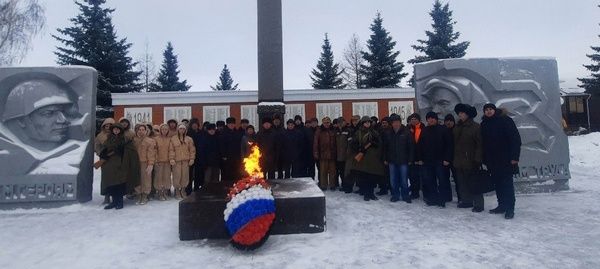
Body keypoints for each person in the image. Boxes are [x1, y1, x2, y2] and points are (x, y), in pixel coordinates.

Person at [0, 78, 88, 176]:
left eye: (63, 112)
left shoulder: (76, 153)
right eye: (49, 113)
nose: (63, 120)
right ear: (21, 120)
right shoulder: (6, 157)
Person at [481, 103, 522, 219]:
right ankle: (502, 205)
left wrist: (514, 157)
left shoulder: (505, 120)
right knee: (498, 184)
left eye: (490, 109)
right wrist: (484, 159)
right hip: (492, 161)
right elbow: (483, 143)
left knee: (507, 185)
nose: (488, 111)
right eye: (486, 110)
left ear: (495, 110)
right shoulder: (484, 124)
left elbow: (515, 139)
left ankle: (510, 208)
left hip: (506, 160)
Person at [416, 112, 453, 207]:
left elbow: (449, 145)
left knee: (442, 180)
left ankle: (442, 200)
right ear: (427, 120)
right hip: (428, 161)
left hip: (440, 160)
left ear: (436, 119)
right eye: (429, 118)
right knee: (430, 180)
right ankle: (433, 199)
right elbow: (420, 145)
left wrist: (447, 158)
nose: (431, 120)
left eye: (433, 118)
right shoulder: (424, 130)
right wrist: (420, 158)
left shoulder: (443, 129)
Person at [100, 123, 140, 210]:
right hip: (110, 165)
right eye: (114, 129)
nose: (116, 130)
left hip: (121, 165)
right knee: (112, 184)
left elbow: (131, 152)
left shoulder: (125, 140)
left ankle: (120, 202)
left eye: (118, 129)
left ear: (121, 130)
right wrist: (104, 154)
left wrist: (122, 152)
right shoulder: (108, 139)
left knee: (120, 184)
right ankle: (114, 202)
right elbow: (103, 150)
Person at [452, 104, 484, 212]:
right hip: (458, 160)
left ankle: (479, 204)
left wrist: (478, 159)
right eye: (459, 113)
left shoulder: (476, 127)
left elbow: (480, 145)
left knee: (474, 183)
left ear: (468, 114)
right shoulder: (457, 127)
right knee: (462, 183)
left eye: (462, 113)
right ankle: (467, 201)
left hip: (471, 160)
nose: (460, 115)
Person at [351, 116, 385, 201]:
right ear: (362, 123)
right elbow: (353, 144)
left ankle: (371, 193)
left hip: (373, 158)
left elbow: (380, 144)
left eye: (369, 122)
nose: (367, 124)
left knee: (372, 177)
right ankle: (366, 193)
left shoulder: (374, 132)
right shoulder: (358, 133)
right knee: (364, 177)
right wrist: (360, 149)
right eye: (366, 122)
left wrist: (374, 144)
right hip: (363, 158)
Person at [383, 114, 414, 203]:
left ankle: (405, 195)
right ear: (391, 123)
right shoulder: (388, 133)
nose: (396, 124)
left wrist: (410, 159)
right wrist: (385, 158)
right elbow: (385, 147)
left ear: (400, 122)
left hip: (404, 160)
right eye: (394, 122)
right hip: (392, 160)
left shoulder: (406, 132)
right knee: (393, 180)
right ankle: (395, 195)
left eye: (397, 122)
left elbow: (411, 147)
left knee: (404, 179)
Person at [169, 124, 196, 199]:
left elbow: (192, 150)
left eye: (183, 129)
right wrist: (171, 159)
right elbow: (171, 150)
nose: (182, 130)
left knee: (185, 176)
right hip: (176, 161)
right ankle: (177, 191)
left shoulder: (189, 139)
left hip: (185, 161)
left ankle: (183, 190)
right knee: (177, 176)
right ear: (178, 129)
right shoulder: (173, 139)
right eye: (180, 129)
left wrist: (192, 159)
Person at [133, 124, 157, 205]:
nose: (141, 131)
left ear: (146, 131)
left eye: (143, 130)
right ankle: (138, 194)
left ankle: (145, 195)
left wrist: (151, 164)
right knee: (137, 179)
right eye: (139, 130)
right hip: (136, 163)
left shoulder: (150, 141)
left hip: (145, 163)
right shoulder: (134, 140)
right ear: (137, 131)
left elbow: (151, 153)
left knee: (146, 179)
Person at [95, 118, 115, 204]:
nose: (108, 127)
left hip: (115, 159)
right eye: (106, 126)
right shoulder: (100, 135)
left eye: (110, 125)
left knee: (115, 178)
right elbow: (96, 146)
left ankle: (115, 195)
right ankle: (106, 196)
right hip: (104, 160)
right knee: (105, 178)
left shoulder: (116, 134)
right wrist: (101, 154)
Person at [314, 117, 337, 190]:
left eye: (328, 122)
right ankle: (323, 185)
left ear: (330, 123)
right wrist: (316, 152)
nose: (326, 124)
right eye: (325, 123)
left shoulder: (333, 130)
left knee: (332, 171)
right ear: (322, 123)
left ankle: (332, 185)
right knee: (323, 171)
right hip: (323, 154)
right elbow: (315, 143)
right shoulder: (319, 131)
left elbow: (336, 142)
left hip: (332, 154)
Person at [219, 117, 243, 181]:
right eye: (230, 124)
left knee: (236, 173)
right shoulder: (223, 133)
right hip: (227, 157)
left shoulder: (237, 132)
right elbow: (221, 145)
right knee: (227, 174)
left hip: (236, 157)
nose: (231, 125)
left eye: (233, 123)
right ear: (227, 124)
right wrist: (224, 155)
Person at [407, 113, 424, 199]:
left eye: (415, 119)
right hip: (411, 157)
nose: (413, 120)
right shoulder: (408, 129)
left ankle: (426, 193)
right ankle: (414, 192)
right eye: (412, 119)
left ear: (418, 120)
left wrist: (421, 158)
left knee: (424, 176)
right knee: (413, 176)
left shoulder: (423, 128)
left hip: (421, 157)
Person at [443, 113, 460, 203]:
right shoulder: (443, 130)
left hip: (456, 159)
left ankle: (460, 197)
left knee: (458, 179)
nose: (448, 122)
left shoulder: (457, 130)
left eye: (450, 121)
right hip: (445, 159)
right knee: (445, 179)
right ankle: (447, 196)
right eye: (447, 121)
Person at [153, 124, 172, 201]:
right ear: (160, 130)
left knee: (167, 177)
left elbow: (171, 150)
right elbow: (154, 151)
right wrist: (156, 160)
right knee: (159, 177)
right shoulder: (156, 139)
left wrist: (171, 159)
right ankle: (160, 192)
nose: (164, 131)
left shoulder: (170, 139)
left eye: (166, 129)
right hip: (159, 161)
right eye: (163, 129)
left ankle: (165, 191)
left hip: (167, 161)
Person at [186, 118, 204, 195]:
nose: (195, 126)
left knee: (198, 173)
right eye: (193, 124)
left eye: (196, 124)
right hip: (190, 156)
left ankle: (197, 187)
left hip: (199, 155)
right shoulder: (188, 133)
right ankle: (188, 189)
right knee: (189, 173)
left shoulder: (201, 132)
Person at [335, 117, 351, 192]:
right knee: (341, 172)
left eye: (342, 122)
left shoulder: (348, 130)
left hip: (346, 155)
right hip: (338, 156)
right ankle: (344, 185)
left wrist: (348, 153)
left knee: (347, 172)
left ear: (345, 122)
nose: (340, 124)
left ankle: (348, 187)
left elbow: (350, 143)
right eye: (339, 123)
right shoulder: (337, 131)